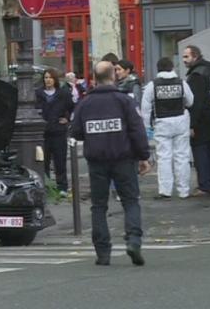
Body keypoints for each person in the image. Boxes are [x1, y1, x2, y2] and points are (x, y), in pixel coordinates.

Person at [70, 61, 151, 266]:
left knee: (98, 206)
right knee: (130, 201)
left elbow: (75, 131)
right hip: (123, 158)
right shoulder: (123, 100)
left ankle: (103, 252)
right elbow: (137, 129)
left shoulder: (85, 103)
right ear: (113, 76)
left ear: (94, 79)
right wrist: (143, 156)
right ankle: (133, 240)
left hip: (96, 161)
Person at [141, 57, 194, 199]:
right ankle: (184, 190)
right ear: (172, 68)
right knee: (182, 156)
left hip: (162, 122)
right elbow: (190, 101)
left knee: (164, 157)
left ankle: (165, 190)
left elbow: (145, 109)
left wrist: (146, 127)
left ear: (158, 69)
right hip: (181, 120)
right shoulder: (181, 83)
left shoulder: (153, 85)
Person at [183, 45, 210, 196]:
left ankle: (204, 185)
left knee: (200, 151)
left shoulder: (197, 75)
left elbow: (195, 102)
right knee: (209, 150)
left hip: (200, 118)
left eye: (186, 57)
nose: (184, 60)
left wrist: (191, 124)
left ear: (195, 56)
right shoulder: (209, 71)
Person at [35, 68, 75, 197]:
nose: (48, 80)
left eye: (50, 77)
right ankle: (46, 186)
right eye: (46, 77)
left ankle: (62, 187)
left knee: (60, 161)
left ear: (55, 79)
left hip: (58, 132)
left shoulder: (63, 93)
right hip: (43, 132)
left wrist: (67, 119)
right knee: (43, 161)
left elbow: (73, 107)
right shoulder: (38, 93)